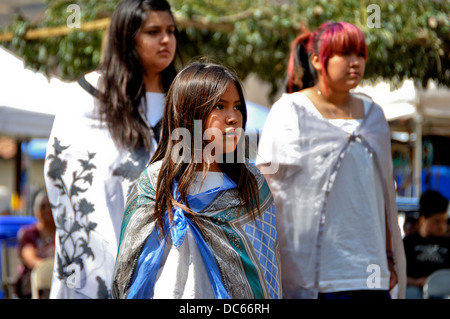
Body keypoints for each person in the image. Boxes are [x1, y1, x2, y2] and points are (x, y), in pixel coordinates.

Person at [256, 21, 406, 299]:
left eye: (360, 54)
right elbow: (268, 192)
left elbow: (384, 194)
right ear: (316, 59)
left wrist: (388, 257)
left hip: (371, 274)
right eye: (345, 53)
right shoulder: (290, 111)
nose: (355, 63)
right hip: (316, 277)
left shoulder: (374, 116)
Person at [44, 0, 181, 299]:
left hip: (171, 261)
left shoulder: (185, 98)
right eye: (153, 31)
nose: (166, 40)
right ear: (127, 37)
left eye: (171, 31)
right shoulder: (88, 98)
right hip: (95, 264)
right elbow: (66, 182)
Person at [112, 62, 282, 299]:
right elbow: (131, 267)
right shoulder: (156, 182)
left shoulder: (251, 183)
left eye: (237, 107)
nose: (233, 118)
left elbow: (264, 268)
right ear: (189, 113)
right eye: (219, 106)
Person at [403, 189, 450, 299]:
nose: (442, 226)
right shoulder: (408, 243)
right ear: (423, 220)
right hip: (415, 291)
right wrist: (416, 282)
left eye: (444, 221)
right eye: (437, 221)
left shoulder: (448, 243)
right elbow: (399, 275)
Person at [15, 190, 55, 299]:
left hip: (58, 278)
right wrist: (50, 270)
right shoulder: (28, 233)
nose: (47, 210)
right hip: (33, 280)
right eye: (43, 206)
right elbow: (30, 259)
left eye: (50, 206)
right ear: (36, 211)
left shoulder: (63, 235)